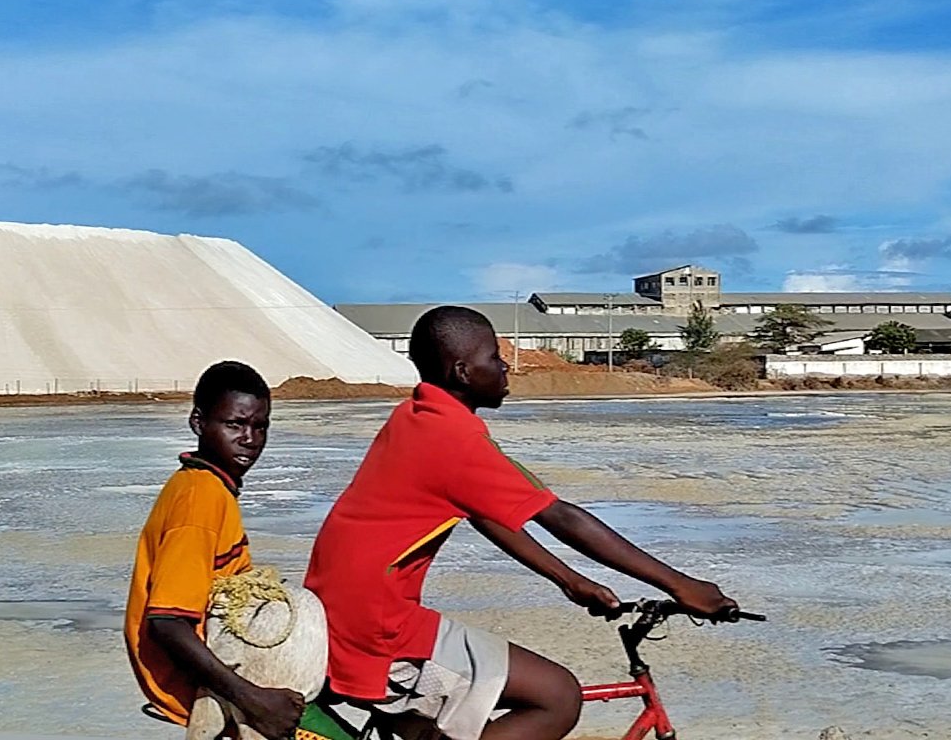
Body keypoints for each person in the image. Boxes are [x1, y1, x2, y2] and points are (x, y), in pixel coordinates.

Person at [304, 306, 739, 740]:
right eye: (494, 356)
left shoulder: (417, 416)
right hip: (375, 621)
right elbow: (561, 516)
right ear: (463, 371)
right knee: (556, 696)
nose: (505, 364)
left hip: (341, 602)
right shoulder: (454, 440)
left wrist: (568, 579)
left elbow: (483, 512)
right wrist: (681, 586)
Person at [125, 360, 305, 739]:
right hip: (206, 687)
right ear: (198, 423)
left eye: (260, 426)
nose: (250, 439)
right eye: (235, 424)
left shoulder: (207, 486)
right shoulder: (200, 499)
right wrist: (255, 700)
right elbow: (168, 622)